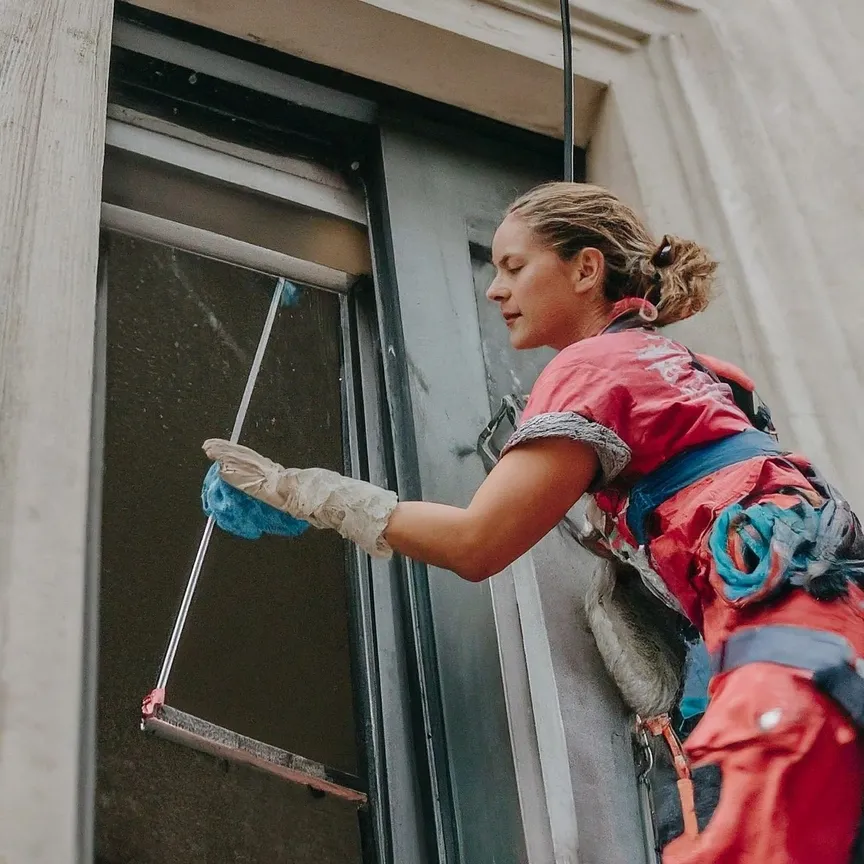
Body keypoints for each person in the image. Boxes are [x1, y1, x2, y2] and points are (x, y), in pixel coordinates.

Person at [204, 182, 864, 864]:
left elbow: (477, 542)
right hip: (831, 650)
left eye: (514, 266)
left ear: (585, 269)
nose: (495, 289)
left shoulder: (590, 368)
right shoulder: (699, 370)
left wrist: (307, 492)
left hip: (785, 666)